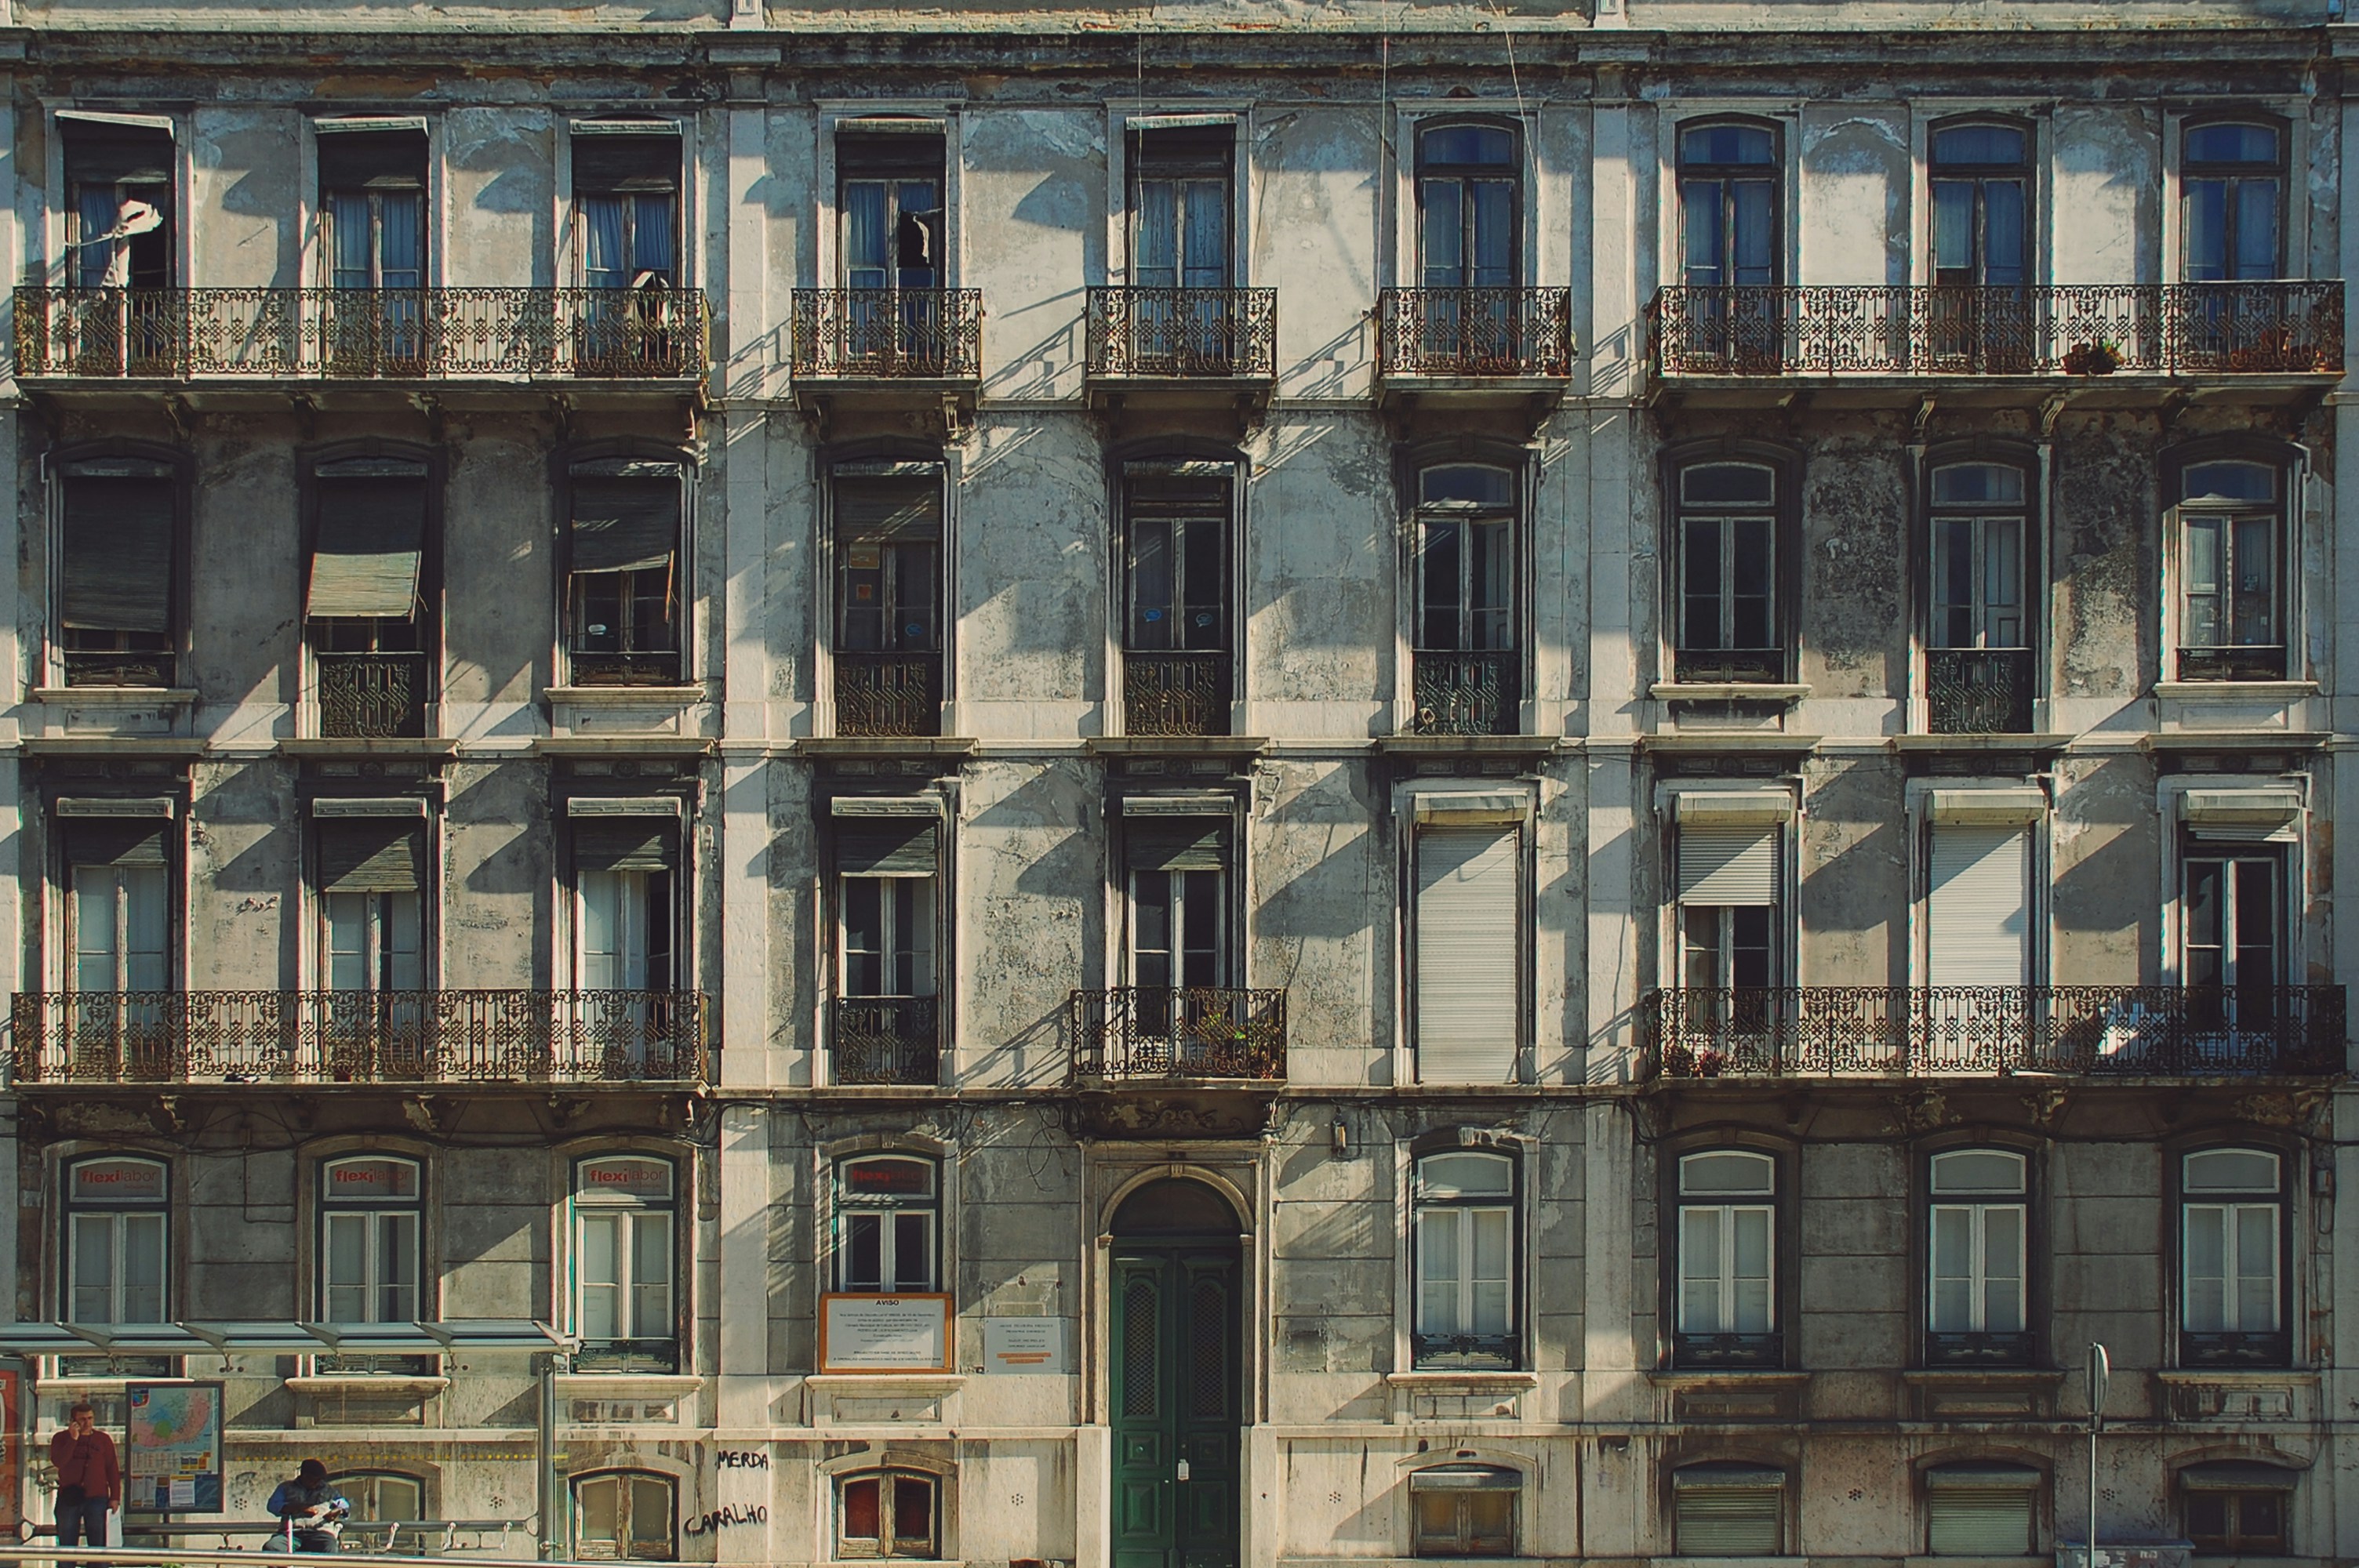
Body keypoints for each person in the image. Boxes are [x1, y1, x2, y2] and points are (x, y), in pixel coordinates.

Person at [49, 1402, 120, 1568]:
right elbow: (59, 1461)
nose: (87, 1423)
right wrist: (73, 1439)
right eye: (82, 1420)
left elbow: (112, 1469)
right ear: (73, 1421)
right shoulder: (60, 1438)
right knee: (67, 1545)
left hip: (97, 1497)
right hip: (70, 1496)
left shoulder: (103, 1440)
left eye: (90, 1418)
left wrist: (115, 1497)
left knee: (98, 1546)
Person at [267, 1461, 350, 1554]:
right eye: (313, 1479)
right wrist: (298, 1508)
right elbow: (272, 1506)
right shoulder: (286, 1488)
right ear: (304, 1476)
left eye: (319, 1480)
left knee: (329, 1547)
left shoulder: (329, 1490)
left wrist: (337, 1511)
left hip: (319, 1534)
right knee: (272, 1547)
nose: (317, 1483)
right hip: (291, 1533)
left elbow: (344, 1504)